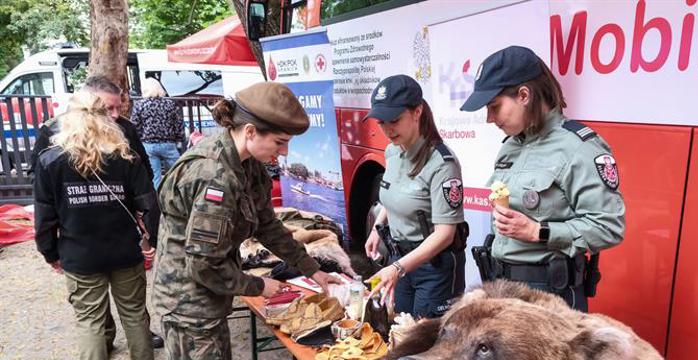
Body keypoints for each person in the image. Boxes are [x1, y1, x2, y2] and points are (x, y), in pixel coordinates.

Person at [152, 81, 341, 359]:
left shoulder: (248, 165)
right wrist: (258, 286)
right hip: (189, 306)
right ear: (250, 132)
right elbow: (203, 263)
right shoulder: (215, 177)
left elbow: (267, 225)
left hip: (207, 297)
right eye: (280, 142)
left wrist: (311, 268)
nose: (285, 152)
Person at [460, 46, 625, 312]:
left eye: (494, 107)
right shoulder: (510, 146)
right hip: (502, 287)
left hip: (548, 298)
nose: (489, 118)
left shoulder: (579, 147)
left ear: (524, 95)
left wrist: (539, 231)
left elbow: (609, 226)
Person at [30, 75, 165, 348]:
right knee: (133, 315)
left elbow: (44, 212)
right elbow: (148, 201)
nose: (115, 116)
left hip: (80, 250)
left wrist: (50, 252)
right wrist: (149, 237)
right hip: (122, 247)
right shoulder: (123, 155)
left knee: (89, 322)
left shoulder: (52, 158)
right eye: (109, 109)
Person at [364, 75, 467, 318]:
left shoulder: (442, 163)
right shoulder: (392, 152)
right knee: (401, 331)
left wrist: (397, 268)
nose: (388, 130)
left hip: (434, 267)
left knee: (429, 344)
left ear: (417, 111)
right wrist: (377, 229)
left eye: (395, 120)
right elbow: (393, 197)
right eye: (381, 122)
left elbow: (445, 234)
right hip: (400, 259)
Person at [129, 77, 184, 188]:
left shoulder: (140, 105)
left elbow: (135, 125)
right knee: (178, 174)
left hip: (148, 145)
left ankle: (157, 201)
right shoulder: (170, 104)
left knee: (155, 177)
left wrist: (140, 139)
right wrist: (179, 139)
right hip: (168, 143)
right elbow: (178, 123)